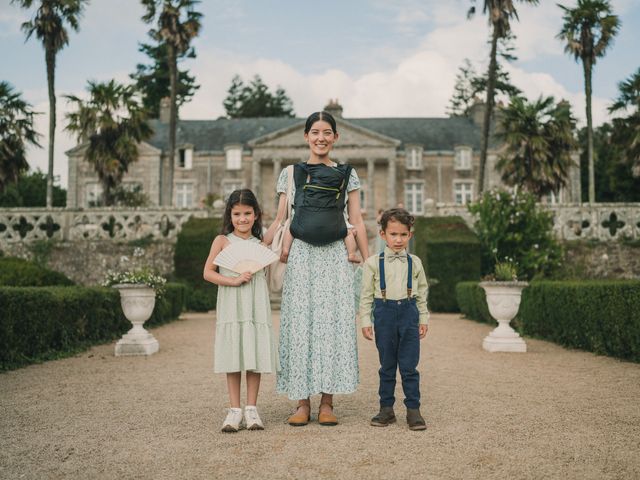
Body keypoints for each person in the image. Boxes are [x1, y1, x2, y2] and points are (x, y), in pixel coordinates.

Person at [264, 111, 369, 426]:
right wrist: (257, 245)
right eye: (315, 132)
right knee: (300, 325)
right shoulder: (290, 173)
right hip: (302, 256)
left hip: (335, 256)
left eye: (327, 132)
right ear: (306, 136)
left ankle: (327, 403)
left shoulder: (348, 174)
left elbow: (358, 219)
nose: (321, 138)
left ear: (336, 137)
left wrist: (368, 258)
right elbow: (281, 218)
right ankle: (301, 403)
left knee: (332, 325)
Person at [203, 189, 278, 433]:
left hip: (255, 304)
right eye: (237, 214)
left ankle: (251, 409)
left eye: (247, 213)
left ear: (256, 215)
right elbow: (208, 272)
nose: (242, 219)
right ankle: (234, 410)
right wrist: (233, 281)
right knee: (234, 354)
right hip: (232, 303)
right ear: (230, 215)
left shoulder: (261, 243)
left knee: (254, 355)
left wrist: (286, 194)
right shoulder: (222, 241)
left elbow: (280, 221)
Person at [359, 208, 429, 430]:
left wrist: (424, 318)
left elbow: (422, 293)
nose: (398, 240)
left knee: (409, 366)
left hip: (409, 313)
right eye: (393, 234)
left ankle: (413, 410)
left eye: (403, 235)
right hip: (384, 313)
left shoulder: (415, 263)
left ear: (410, 234)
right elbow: (366, 296)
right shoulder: (372, 263)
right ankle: (386, 409)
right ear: (383, 235)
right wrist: (365, 321)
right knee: (387, 365)